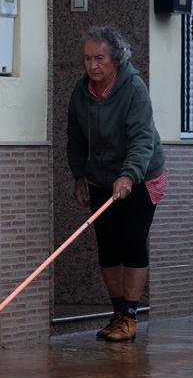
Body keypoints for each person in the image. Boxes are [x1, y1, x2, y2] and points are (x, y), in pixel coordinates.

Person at [67, 26, 167, 342]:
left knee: (132, 241)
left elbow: (142, 138)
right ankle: (117, 314)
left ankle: (131, 315)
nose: (93, 66)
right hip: (100, 175)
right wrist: (79, 173)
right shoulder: (80, 93)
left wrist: (129, 175)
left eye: (99, 58)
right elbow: (76, 138)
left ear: (115, 59)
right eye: (87, 59)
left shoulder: (133, 88)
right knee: (108, 246)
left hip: (141, 175)